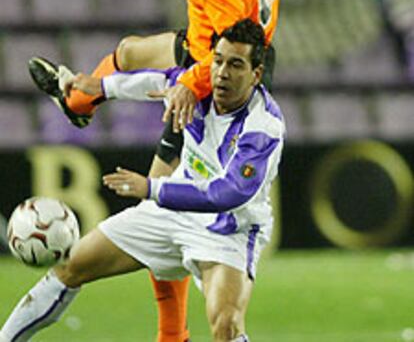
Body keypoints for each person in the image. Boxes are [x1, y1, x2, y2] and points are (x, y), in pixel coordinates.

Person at [27, 0, 414, 342]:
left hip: (225, 66)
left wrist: (188, 84)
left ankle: (172, 333)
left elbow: (218, 48)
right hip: (237, 50)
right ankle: (80, 99)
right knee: (132, 52)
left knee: (161, 188)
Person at [1, 19, 285, 342]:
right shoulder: (198, 86)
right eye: (217, 61)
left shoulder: (263, 126)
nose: (222, 73)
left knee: (226, 325)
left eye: (235, 65)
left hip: (227, 229)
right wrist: (101, 88)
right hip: (170, 214)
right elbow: (155, 80)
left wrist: (151, 188)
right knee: (71, 266)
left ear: (256, 74)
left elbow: (227, 193)